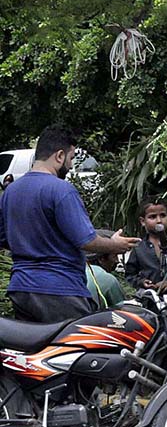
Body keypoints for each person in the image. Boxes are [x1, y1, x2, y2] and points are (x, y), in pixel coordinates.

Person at [0, 126, 139, 323]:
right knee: (78, 347)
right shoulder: (61, 190)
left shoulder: (10, 192)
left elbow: (5, 239)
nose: (72, 165)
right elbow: (87, 241)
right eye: (71, 158)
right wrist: (116, 245)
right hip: (60, 290)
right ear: (59, 155)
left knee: (39, 352)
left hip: (21, 289)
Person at [125, 198, 167, 291]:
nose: (159, 220)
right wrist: (142, 282)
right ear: (143, 221)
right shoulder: (138, 248)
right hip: (150, 299)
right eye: (153, 217)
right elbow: (130, 275)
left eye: (162, 215)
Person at [86, 229, 127, 309]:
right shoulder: (107, 279)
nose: (117, 261)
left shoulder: (72, 271)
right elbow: (122, 311)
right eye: (114, 256)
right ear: (102, 259)